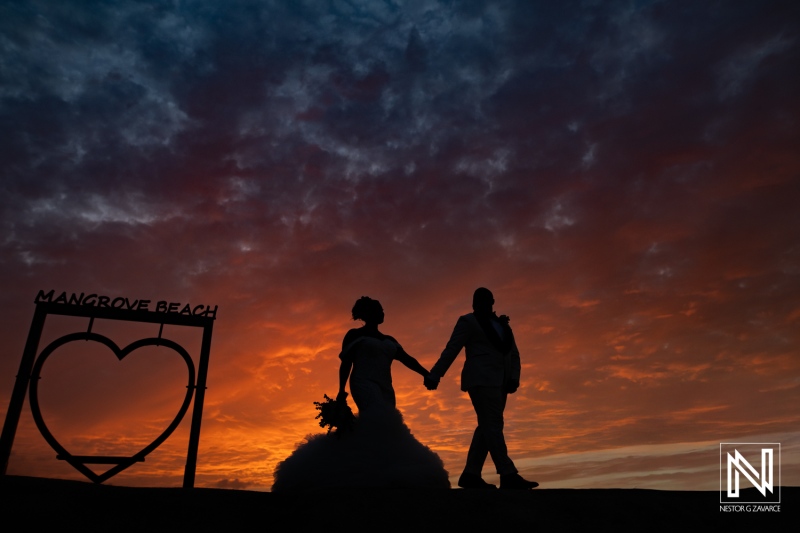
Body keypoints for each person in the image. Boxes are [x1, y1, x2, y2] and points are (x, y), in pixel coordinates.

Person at [271, 296, 450, 491]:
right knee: (378, 418)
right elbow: (346, 363)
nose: (383, 313)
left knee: (387, 427)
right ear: (367, 314)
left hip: (386, 387)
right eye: (379, 310)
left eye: (383, 310)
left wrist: (427, 375)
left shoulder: (389, 340)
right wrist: (341, 391)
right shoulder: (354, 334)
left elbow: (407, 359)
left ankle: (379, 468)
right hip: (363, 382)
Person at [425, 288, 538, 490]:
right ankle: (508, 473)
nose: (480, 303)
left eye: (485, 300)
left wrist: (514, 377)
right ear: (473, 303)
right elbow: (452, 348)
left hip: (501, 382)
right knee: (493, 425)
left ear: (493, 301)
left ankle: (470, 474)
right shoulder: (468, 321)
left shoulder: (503, 325)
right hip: (480, 379)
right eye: (477, 300)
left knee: (487, 426)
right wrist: (435, 374)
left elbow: (514, 354)